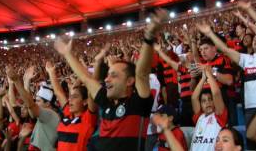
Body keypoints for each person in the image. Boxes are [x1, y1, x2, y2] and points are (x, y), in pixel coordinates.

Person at [53, 9, 169, 151]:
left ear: (129, 81)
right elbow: (86, 78)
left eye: (114, 75)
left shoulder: (138, 102)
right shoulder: (105, 100)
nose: (106, 79)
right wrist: (67, 54)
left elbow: (142, 73)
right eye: (108, 74)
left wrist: (149, 37)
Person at [196, 8, 256, 149]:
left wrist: (249, 11)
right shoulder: (246, 59)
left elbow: (229, 80)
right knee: (253, 145)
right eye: (255, 38)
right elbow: (225, 49)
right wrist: (209, 33)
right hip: (250, 108)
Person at [45, 60, 97, 151]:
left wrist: (88, 74)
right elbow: (58, 92)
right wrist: (51, 72)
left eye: (75, 97)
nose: (70, 100)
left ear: (85, 102)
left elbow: (91, 92)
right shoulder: (68, 113)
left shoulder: (88, 118)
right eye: (70, 97)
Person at [6, 66, 60, 151]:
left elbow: (30, 105)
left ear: (47, 103)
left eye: (38, 101)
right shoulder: (45, 114)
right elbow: (29, 106)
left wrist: (17, 81)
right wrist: (26, 82)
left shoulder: (50, 115)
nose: (36, 103)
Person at [190, 64, 228, 151]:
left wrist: (208, 73)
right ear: (201, 105)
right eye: (204, 101)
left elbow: (216, 93)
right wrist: (203, 78)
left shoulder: (219, 115)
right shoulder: (199, 116)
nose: (207, 103)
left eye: (210, 99)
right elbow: (194, 98)